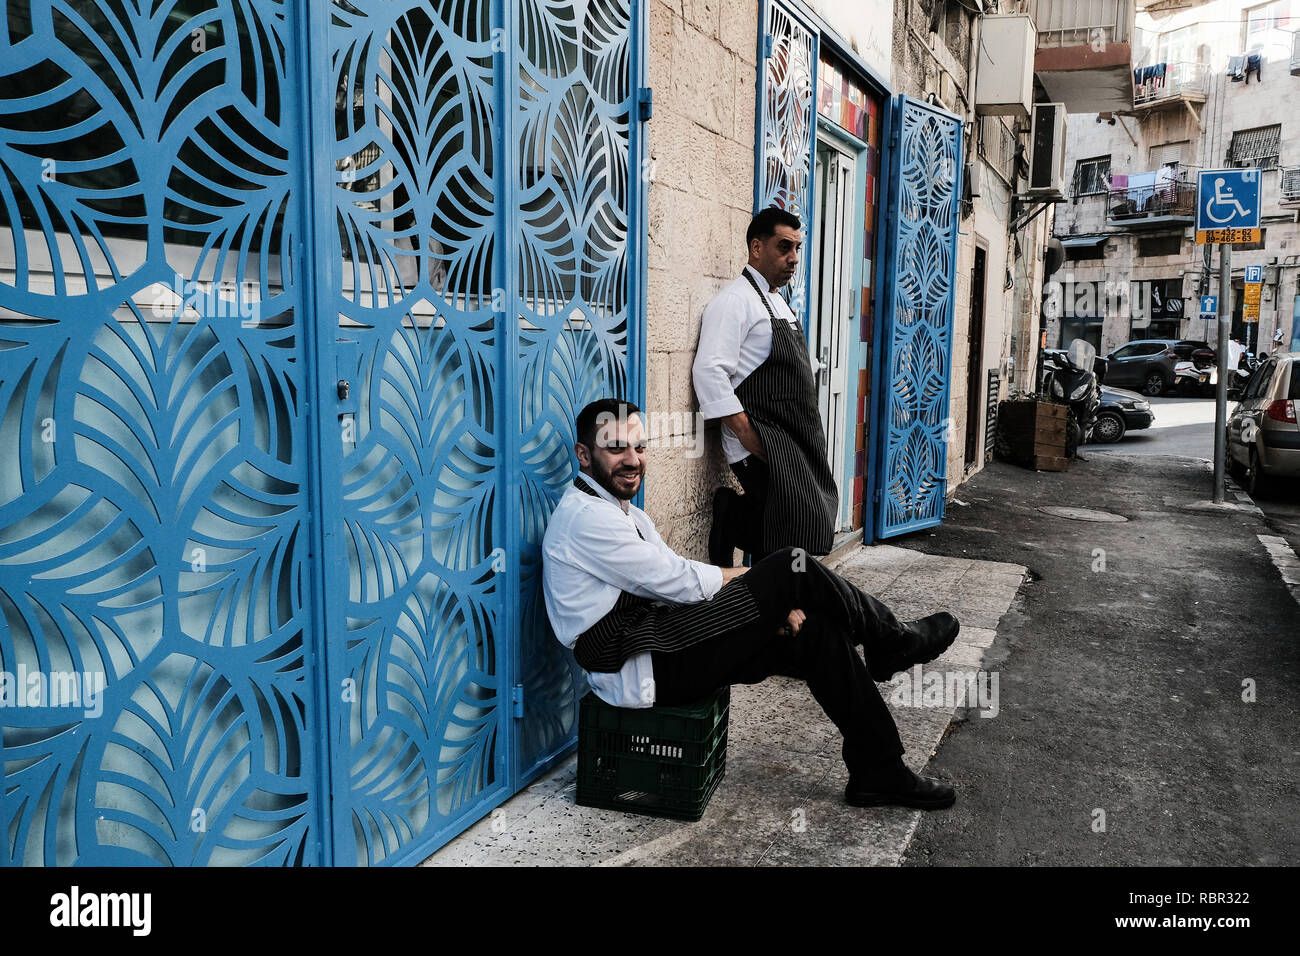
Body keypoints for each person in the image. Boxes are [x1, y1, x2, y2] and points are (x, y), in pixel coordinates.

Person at [541, 398, 963, 810]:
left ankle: (879, 770)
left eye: (639, 447)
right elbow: (679, 582)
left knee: (814, 632)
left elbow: (676, 577)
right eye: (616, 449)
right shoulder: (586, 518)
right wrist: (767, 585)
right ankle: (890, 639)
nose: (632, 459)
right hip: (638, 666)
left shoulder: (626, 513)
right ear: (583, 454)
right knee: (791, 566)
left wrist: (772, 603)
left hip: (662, 643)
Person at [692, 207, 839, 566]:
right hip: (765, 442)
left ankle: (737, 527)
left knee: (796, 522)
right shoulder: (734, 302)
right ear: (756, 247)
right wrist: (745, 432)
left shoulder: (776, 301)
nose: (793, 259)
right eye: (784, 247)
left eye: (797, 249)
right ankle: (772, 600)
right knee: (799, 522)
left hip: (793, 438)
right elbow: (709, 371)